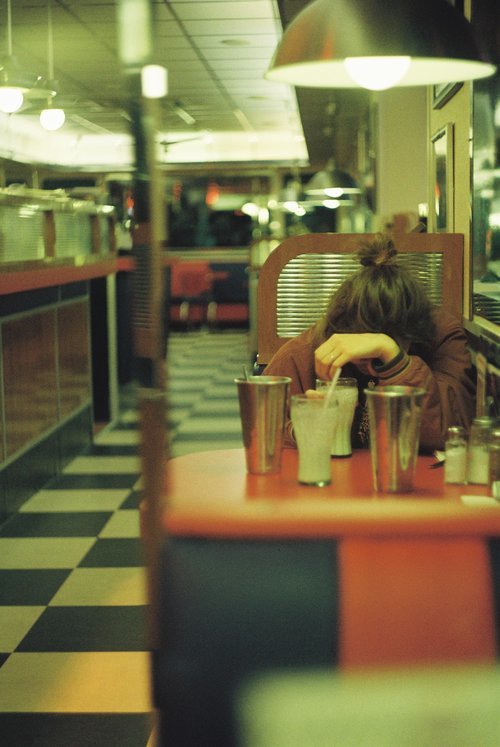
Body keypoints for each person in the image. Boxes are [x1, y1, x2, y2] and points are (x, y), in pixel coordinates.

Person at [264, 234, 475, 452]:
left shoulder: (440, 336)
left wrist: (395, 361)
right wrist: (302, 429)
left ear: (413, 332)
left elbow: (454, 433)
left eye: (380, 350)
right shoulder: (307, 350)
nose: (371, 363)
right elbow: (262, 429)